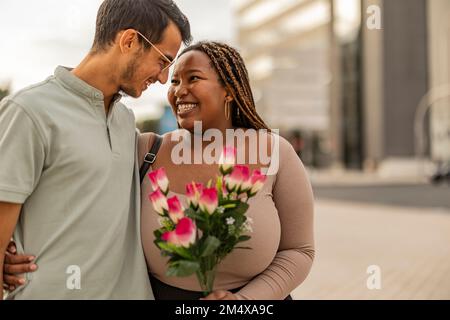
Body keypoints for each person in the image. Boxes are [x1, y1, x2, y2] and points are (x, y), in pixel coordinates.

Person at [4, 42, 315, 300]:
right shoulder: (144, 150)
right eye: (175, 81)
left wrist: (245, 302)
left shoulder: (275, 152)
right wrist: (10, 247)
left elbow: (299, 250)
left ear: (229, 91)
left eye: (193, 78)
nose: (178, 90)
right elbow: (67, 183)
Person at [0, 0, 191, 299]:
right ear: (129, 41)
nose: (163, 77)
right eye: (163, 61)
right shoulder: (28, 112)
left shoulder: (126, 122)